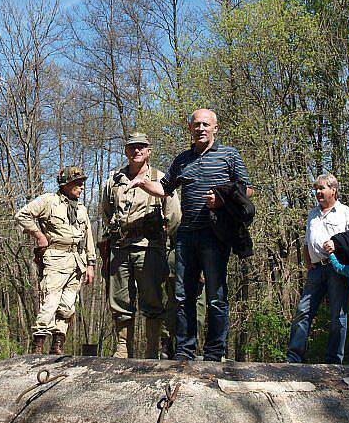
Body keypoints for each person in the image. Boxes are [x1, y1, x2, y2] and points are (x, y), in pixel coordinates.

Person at [128, 109, 253, 361]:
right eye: (196, 125)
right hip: (186, 236)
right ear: (190, 129)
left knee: (216, 296)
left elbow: (247, 189)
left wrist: (221, 199)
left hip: (216, 235)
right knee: (182, 295)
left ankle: (214, 353)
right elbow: (164, 188)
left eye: (206, 124)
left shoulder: (229, 155)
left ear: (215, 128)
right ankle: (185, 351)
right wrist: (143, 183)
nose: (201, 128)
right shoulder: (183, 159)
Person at [101, 132, 180, 358]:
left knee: (153, 301)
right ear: (126, 151)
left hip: (149, 247)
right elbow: (106, 212)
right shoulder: (114, 180)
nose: (136, 151)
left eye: (141, 147)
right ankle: (123, 349)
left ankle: (152, 350)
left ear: (149, 151)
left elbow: (174, 216)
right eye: (132, 147)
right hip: (120, 247)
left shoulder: (161, 178)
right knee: (120, 300)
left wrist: (166, 243)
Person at [286, 173, 349, 364]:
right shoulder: (313, 214)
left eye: (322, 188)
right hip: (316, 271)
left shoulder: (345, 212)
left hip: (338, 270)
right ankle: (294, 358)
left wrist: (337, 244)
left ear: (334, 190)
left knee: (337, 316)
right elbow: (306, 241)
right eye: (316, 189)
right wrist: (308, 262)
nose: (318, 193)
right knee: (303, 312)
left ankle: (333, 362)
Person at [15, 166, 96, 355]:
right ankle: (38, 346)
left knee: (68, 306)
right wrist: (39, 236)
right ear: (66, 184)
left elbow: (88, 237)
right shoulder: (49, 201)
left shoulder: (82, 209)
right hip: (55, 258)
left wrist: (91, 264)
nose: (81, 187)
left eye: (82, 183)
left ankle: (57, 345)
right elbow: (22, 216)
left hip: (77, 261)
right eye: (77, 183)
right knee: (50, 303)